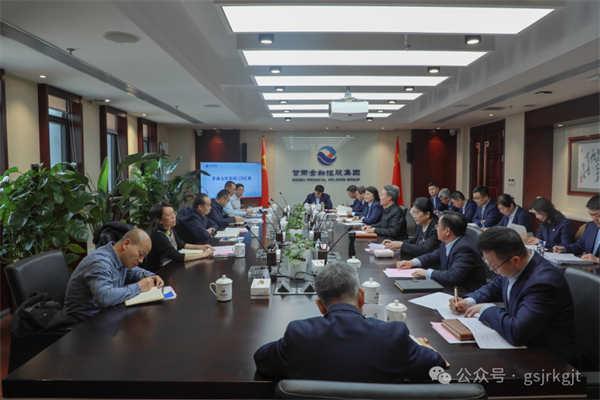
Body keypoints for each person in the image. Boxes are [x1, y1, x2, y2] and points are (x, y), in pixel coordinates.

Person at [253, 261, 446, 382]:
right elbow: (435, 366)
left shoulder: (299, 334)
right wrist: (413, 345)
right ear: (362, 297)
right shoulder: (394, 334)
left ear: (320, 306)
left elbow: (262, 360)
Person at [450, 227, 580, 368]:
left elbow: (517, 332)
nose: (492, 269)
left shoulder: (543, 282)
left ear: (515, 260)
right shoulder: (512, 266)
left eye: (493, 265)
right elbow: (491, 288)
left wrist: (486, 309)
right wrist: (469, 301)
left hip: (550, 361)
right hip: (523, 349)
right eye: (488, 263)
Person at [64, 229, 164, 322]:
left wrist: (151, 277)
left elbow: (134, 272)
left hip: (105, 315)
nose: (141, 261)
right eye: (140, 254)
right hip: (82, 323)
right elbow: (104, 298)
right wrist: (139, 287)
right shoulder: (100, 262)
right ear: (126, 244)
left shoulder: (121, 258)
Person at [397, 211, 486, 292]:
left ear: (447, 231)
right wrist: (412, 262)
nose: (436, 229)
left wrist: (427, 273)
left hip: (464, 294)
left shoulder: (465, 249)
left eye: (438, 226)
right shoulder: (448, 241)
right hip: (450, 288)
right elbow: (433, 256)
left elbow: (453, 276)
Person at [145, 202, 214, 272]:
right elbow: (176, 256)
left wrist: (202, 247)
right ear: (159, 220)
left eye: (173, 213)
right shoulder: (158, 235)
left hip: (171, 267)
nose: (173, 216)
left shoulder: (170, 229)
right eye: (169, 215)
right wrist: (203, 255)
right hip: (160, 272)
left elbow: (182, 245)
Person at [554, 195, 600, 263]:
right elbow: (580, 246)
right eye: (591, 215)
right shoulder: (591, 226)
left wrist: (597, 260)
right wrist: (564, 248)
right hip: (586, 266)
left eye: (597, 215)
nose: (594, 218)